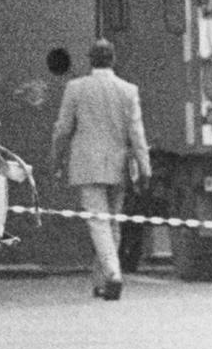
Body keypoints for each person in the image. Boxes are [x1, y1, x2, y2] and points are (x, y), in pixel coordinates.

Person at [51, 38, 151, 301]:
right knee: (112, 222)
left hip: (86, 165)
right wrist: (145, 167)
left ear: (90, 60)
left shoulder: (75, 88)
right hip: (118, 166)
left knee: (98, 223)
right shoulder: (128, 90)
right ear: (113, 59)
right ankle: (102, 280)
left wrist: (57, 160)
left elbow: (62, 130)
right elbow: (137, 134)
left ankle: (114, 275)